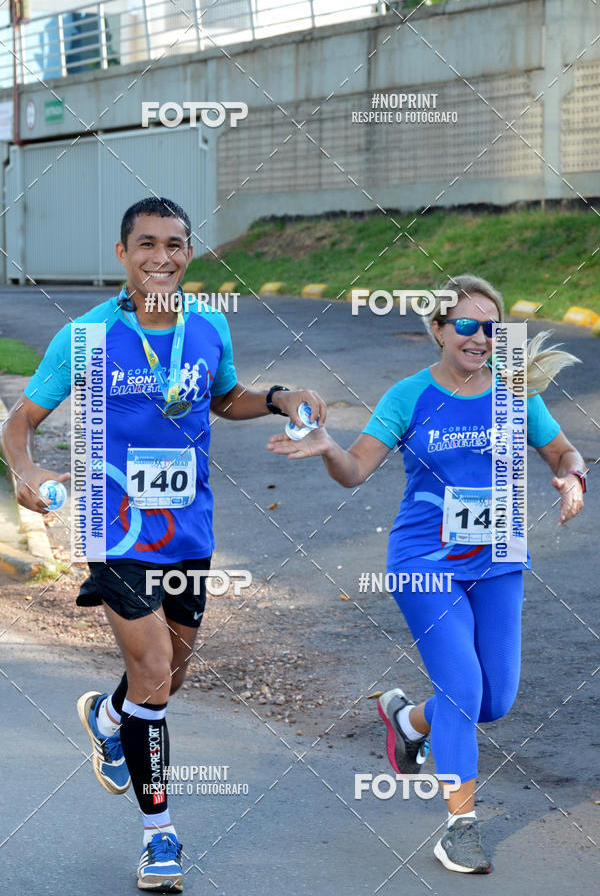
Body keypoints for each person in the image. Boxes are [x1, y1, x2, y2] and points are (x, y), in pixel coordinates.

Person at [1, 196, 327, 893]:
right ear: (122, 254)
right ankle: (161, 836)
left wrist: (276, 396)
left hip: (189, 530)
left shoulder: (207, 328)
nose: (162, 256)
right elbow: (19, 422)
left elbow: (224, 395)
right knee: (151, 667)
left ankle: (108, 714)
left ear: (188, 252)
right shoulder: (84, 338)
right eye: (147, 243)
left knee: (169, 676)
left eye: (175, 244)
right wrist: (25, 470)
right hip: (115, 530)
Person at [267, 274, 586, 874]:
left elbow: (563, 452)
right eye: (465, 324)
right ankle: (460, 827)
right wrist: (330, 448)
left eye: (492, 327)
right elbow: (356, 469)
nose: (480, 337)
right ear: (437, 330)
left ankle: (408, 720)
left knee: (493, 701)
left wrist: (574, 477)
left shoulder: (517, 387)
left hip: (499, 559)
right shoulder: (409, 396)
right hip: (424, 563)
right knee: (463, 691)